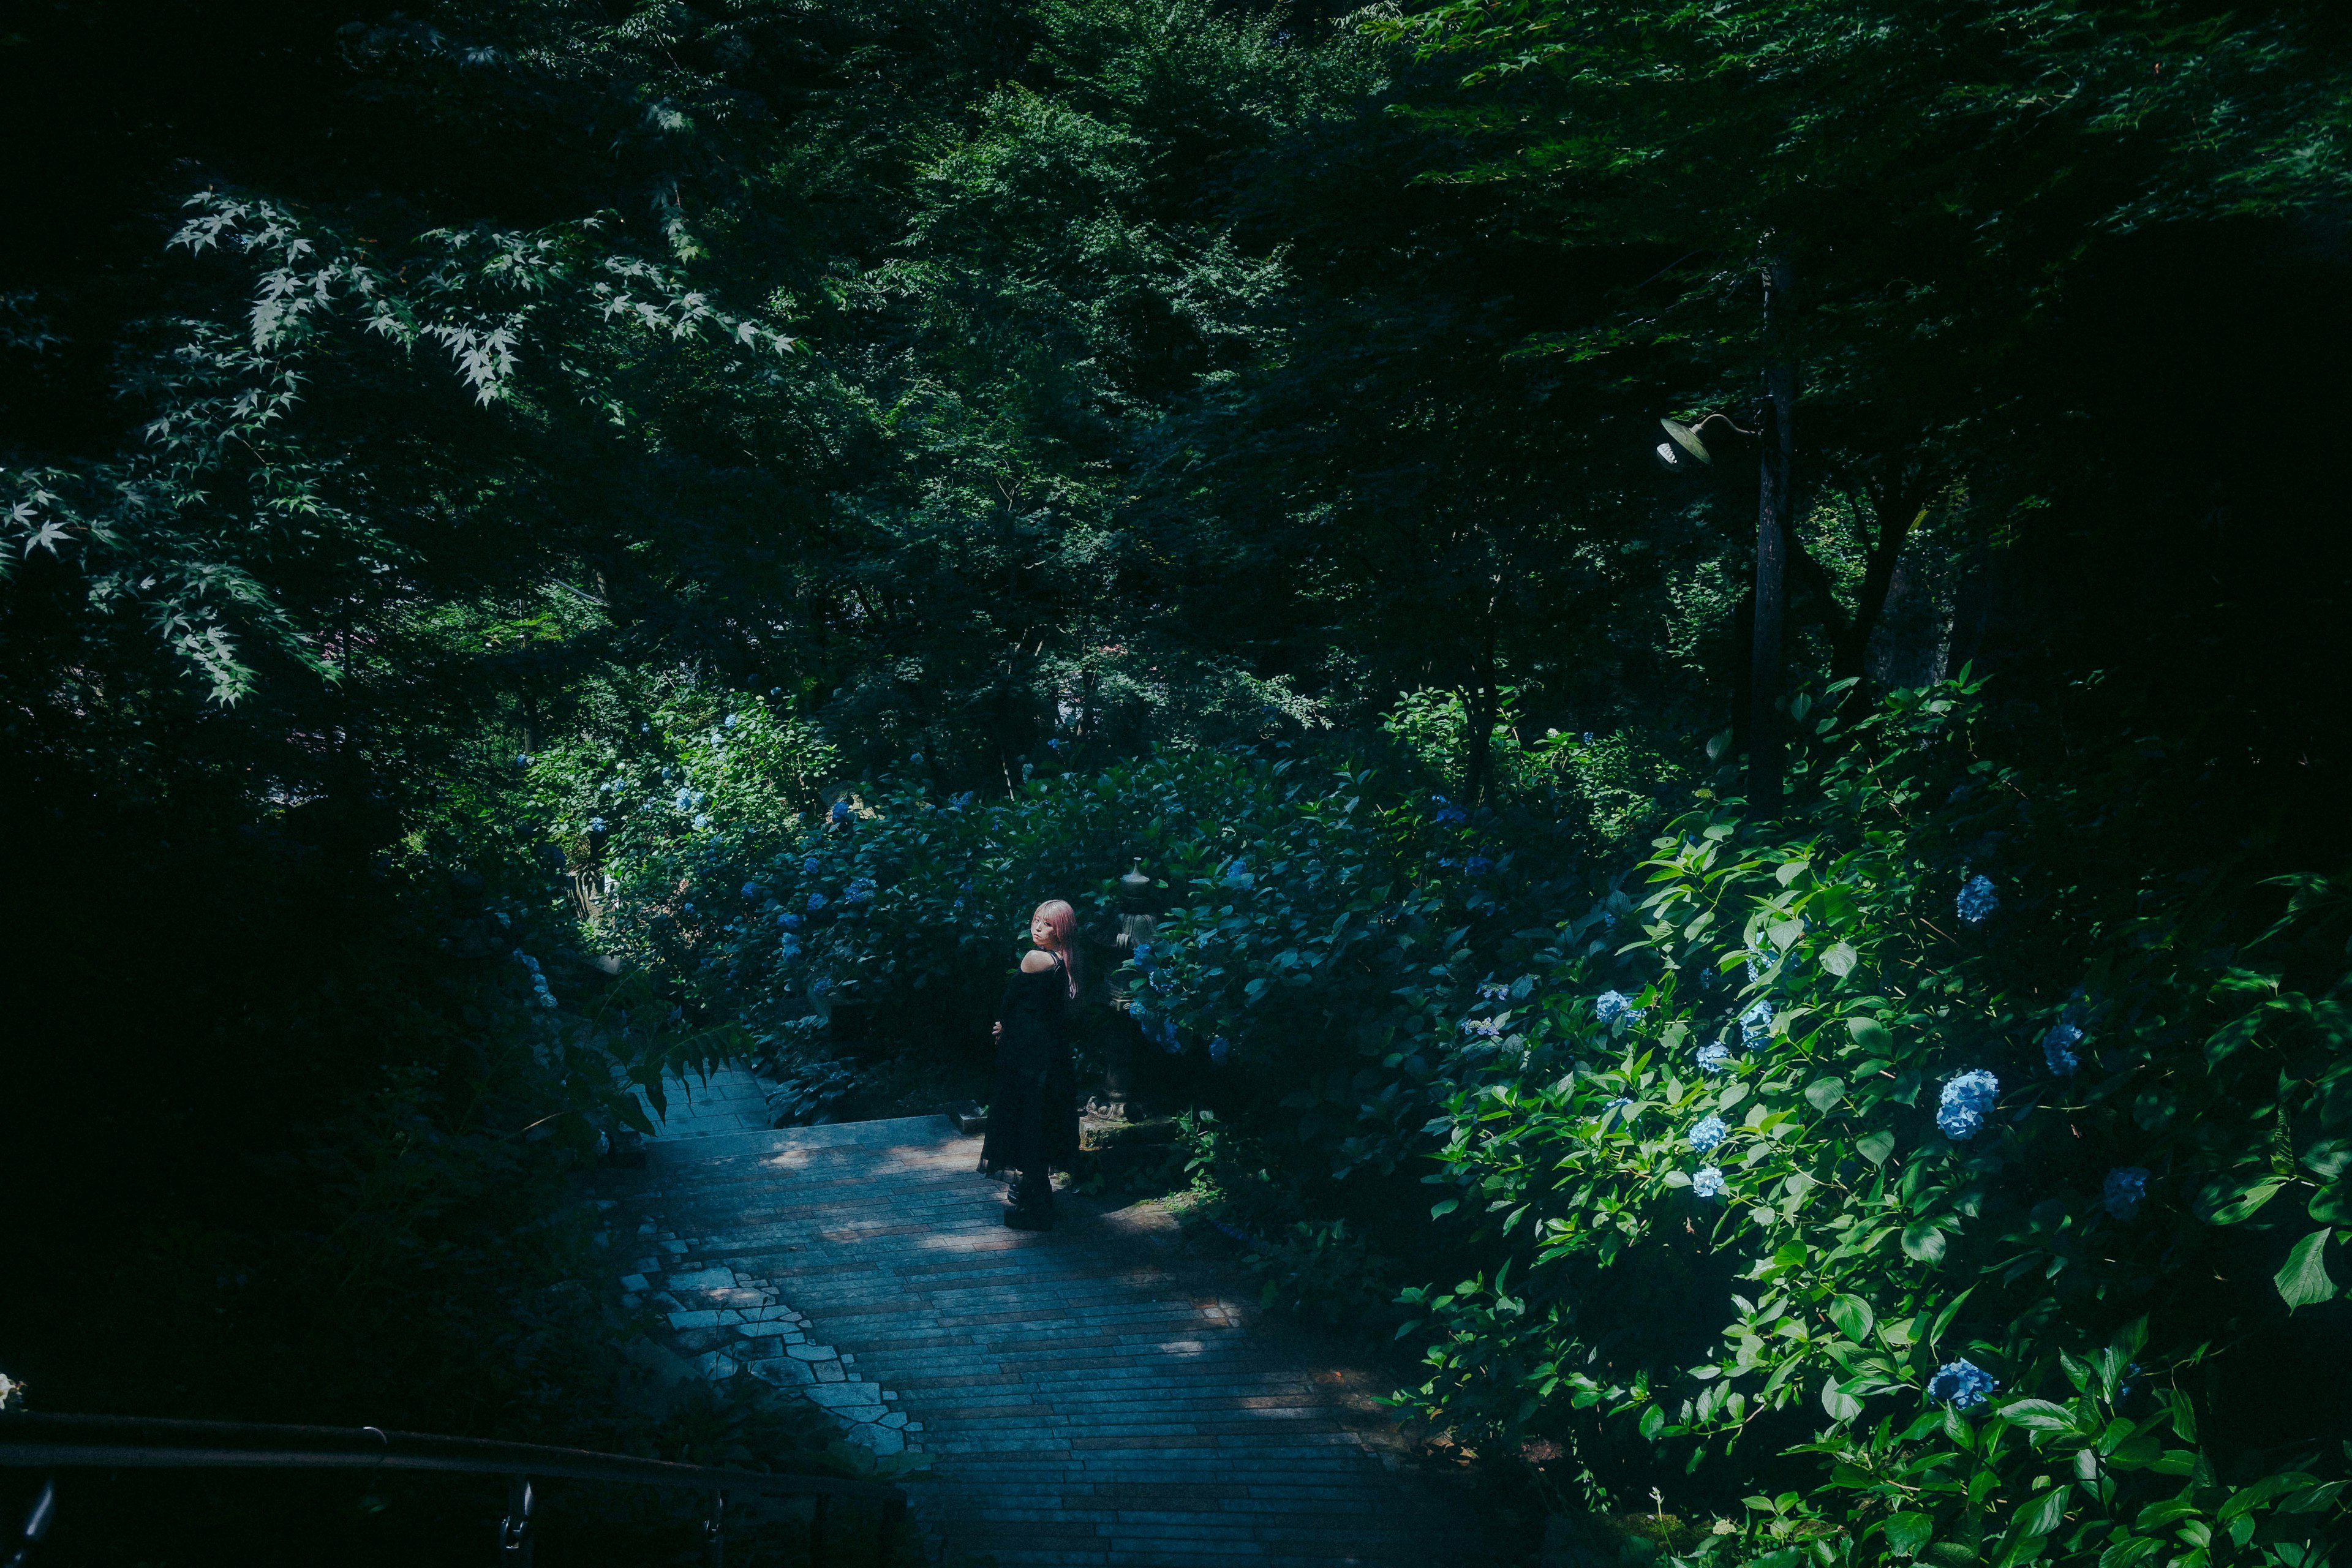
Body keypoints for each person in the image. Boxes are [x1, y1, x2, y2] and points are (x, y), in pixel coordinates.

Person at [980, 899, 1082, 1229]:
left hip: (1028, 1060)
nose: (1037, 927)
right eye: (1036, 920)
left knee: (1024, 1125)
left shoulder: (1035, 959)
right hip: (1053, 1059)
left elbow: (1011, 1004)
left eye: (1047, 924)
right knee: (1039, 1128)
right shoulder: (1068, 964)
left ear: (1061, 929)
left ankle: (1036, 1209)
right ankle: (1037, 1201)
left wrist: (1004, 1028)